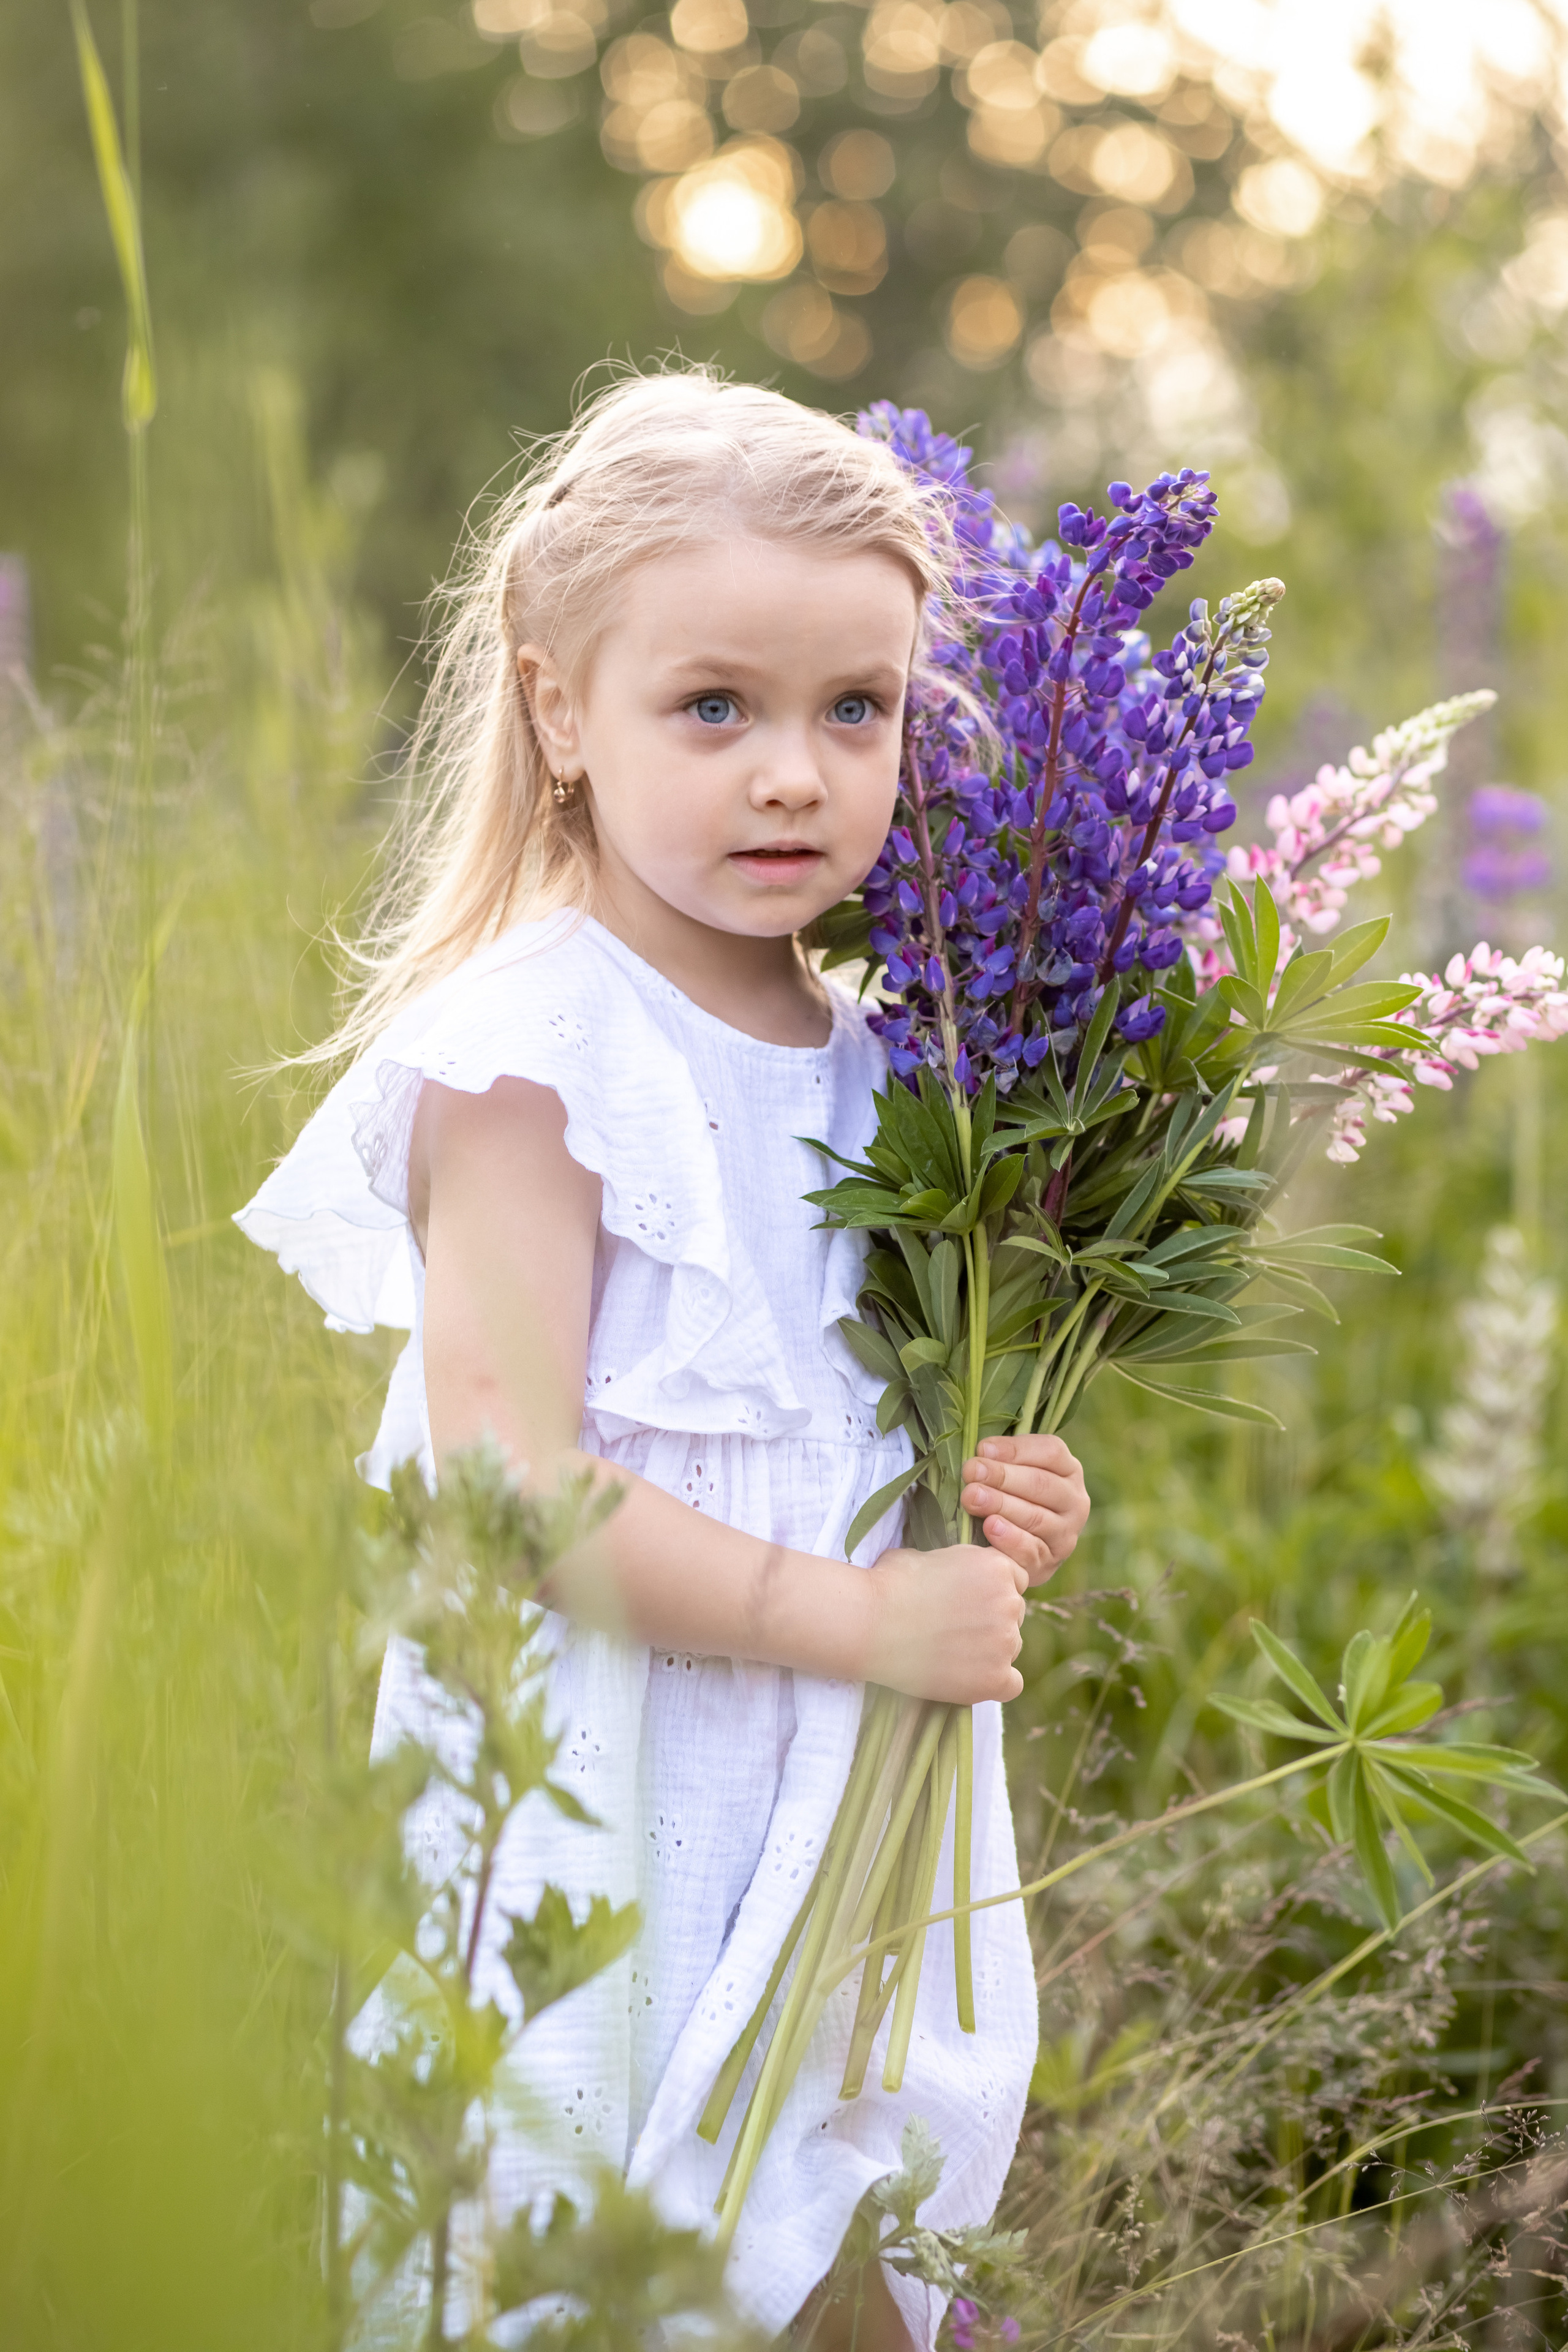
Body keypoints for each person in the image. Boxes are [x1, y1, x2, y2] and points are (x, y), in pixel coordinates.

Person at [236, 368, 1090, 2350]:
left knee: (853, 2235)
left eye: (852, 710)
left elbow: (859, 1424)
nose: (794, 773)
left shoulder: (911, 1063)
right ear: (560, 711)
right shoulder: (543, 1054)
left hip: (846, 1795)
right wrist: (858, 1619)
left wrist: (1004, 1499)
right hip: (611, 1791)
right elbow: (508, 1486)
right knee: (620, 2255)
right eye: (715, 706)